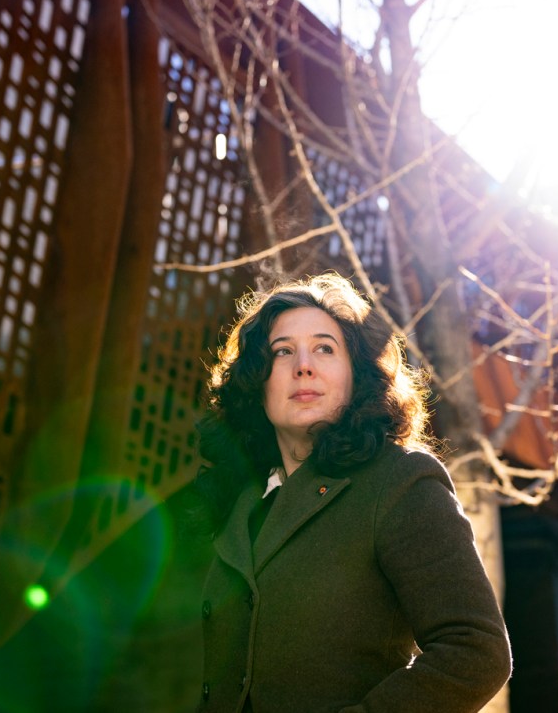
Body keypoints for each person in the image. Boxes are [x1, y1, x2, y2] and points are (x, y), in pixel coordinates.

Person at [193, 272, 512, 713]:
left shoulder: (400, 481)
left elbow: (476, 651)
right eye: (282, 351)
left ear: (356, 377)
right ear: (257, 382)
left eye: (325, 348)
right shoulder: (240, 501)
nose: (303, 365)